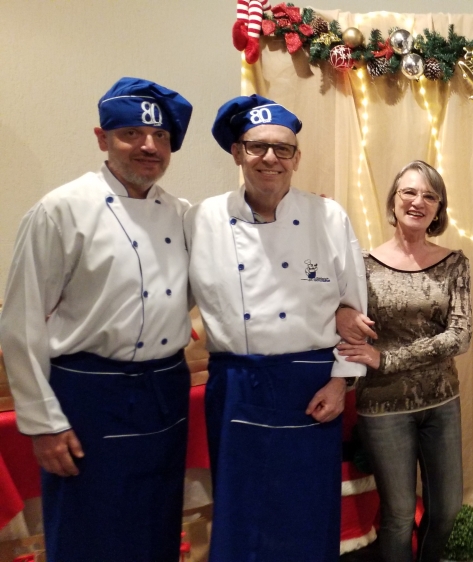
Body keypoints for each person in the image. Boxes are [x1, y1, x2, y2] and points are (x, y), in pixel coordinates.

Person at [0, 77, 194, 561]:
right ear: (102, 138)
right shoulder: (60, 210)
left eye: (161, 136)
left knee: (158, 522)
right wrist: (43, 423)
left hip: (166, 389)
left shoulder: (183, 215)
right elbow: (20, 324)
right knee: (89, 528)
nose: (149, 146)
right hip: (89, 394)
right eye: (132, 134)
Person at [185, 94, 367, 562]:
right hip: (236, 385)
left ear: (296, 158)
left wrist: (341, 382)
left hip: (311, 386)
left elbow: (354, 308)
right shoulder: (201, 219)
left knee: (307, 512)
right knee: (240, 513)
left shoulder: (329, 217)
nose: (270, 158)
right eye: (257, 146)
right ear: (237, 153)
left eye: (283, 148)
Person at [335, 160, 471, 562]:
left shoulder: (455, 263)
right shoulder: (362, 265)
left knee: (446, 510)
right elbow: (338, 316)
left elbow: (460, 336)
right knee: (397, 516)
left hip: (442, 402)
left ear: (439, 208)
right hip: (383, 408)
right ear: (393, 200)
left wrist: (386, 358)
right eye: (409, 192)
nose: (418, 201)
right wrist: (341, 316)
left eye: (430, 195)